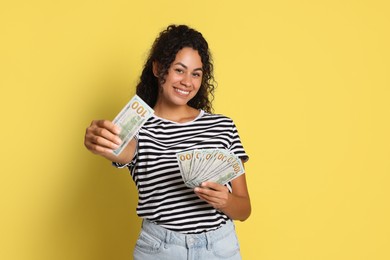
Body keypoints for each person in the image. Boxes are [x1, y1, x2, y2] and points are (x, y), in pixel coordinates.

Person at [84, 24, 251, 260]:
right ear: (158, 68)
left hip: (219, 247)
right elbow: (120, 149)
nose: (187, 81)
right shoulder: (138, 127)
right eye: (179, 70)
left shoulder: (222, 126)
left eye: (196, 73)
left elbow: (244, 209)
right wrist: (101, 140)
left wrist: (225, 200)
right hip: (160, 249)